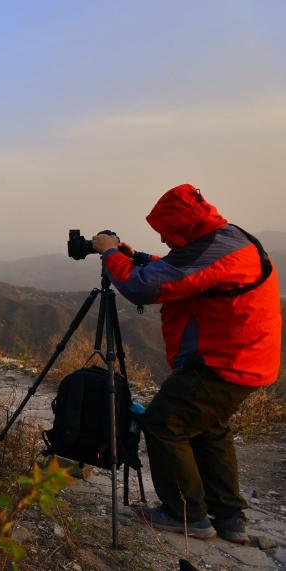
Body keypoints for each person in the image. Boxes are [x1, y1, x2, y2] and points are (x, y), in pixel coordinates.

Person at [91, 183, 281, 543]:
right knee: (209, 428)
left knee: (164, 423)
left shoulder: (220, 250)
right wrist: (141, 256)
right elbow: (191, 268)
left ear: (183, 224)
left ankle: (185, 514)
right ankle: (229, 518)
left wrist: (111, 254)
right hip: (245, 359)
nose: (164, 240)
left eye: (167, 232)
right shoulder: (227, 239)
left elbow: (140, 288)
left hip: (223, 362)